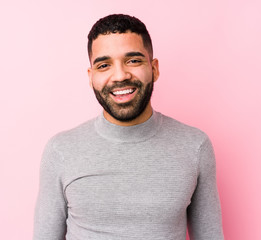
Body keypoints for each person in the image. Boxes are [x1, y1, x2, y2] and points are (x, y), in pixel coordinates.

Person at [33, 14, 224, 240]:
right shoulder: (61, 151)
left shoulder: (195, 146)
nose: (120, 75)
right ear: (91, 76)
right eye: (104, 65)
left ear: (154, 69)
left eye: (133, 61)